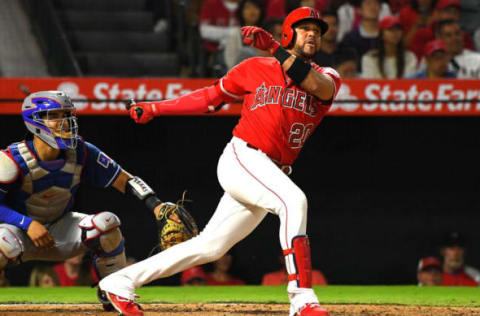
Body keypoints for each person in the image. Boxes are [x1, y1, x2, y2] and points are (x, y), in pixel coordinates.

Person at [99, 7, 340, 316]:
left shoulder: (328, 75)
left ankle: (119, 282)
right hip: (244, 156)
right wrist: (157, 108)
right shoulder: (255, 67)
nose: (312, 34)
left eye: (317, 31)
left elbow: (319, 87)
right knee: (294, 201)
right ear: (288, 33)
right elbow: (209, 97)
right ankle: (302, 298)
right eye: (305, 28)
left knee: (210, 247)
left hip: (268, 171)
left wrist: (274, 48)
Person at [0, 91, 178, 310]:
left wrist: (156, 205)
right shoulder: (10, 160)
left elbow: (126, 179)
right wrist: (27, 224)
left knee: (107, 224)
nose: (65, 123)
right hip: (18, 233)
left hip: (59, 229)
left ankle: (113, 291)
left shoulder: (81, 151)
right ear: (35, 121)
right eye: (56, 115)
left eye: (67, 115)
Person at [340, 0, 383, 70]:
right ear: (359, 10)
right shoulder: (350, 38)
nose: (373, 7)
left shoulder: (386, 36)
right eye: (368, 4)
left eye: (376, 3)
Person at [224, 0, 265, 70]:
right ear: (241, 12)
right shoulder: (234, 34)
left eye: (256, 7)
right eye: (248, 8)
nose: (252, 11)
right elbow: (230, 64)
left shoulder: (265, 33)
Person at [263, 251, 327, 286]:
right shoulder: (269, 278)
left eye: (296, 256)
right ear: (281, 259)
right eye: (288, 256)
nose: (293, 259)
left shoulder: (316, 275)